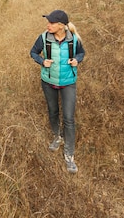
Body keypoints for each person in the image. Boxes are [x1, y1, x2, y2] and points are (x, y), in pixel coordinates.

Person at [30, 10, 85, 174]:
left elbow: (82, 53)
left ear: (61, 26)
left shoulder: (73, 39)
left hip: (68, 83)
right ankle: (58, 136)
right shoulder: (44, 37)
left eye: (51, 23)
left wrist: (77, 60)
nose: (48, 25)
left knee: (68, 118)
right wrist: (41, 61)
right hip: (48, 81)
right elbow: (33, 52)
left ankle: (69, 155)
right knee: (53, 111)